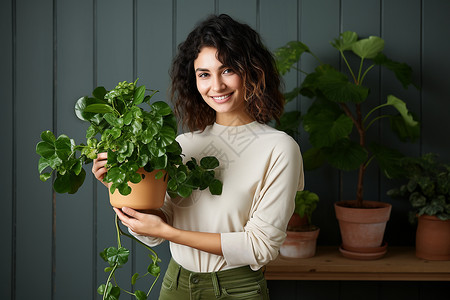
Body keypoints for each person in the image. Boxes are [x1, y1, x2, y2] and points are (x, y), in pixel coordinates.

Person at [92, 14, 304, 300]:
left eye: (228, 70)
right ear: (193, 80)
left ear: (252, 71)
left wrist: (169, 232)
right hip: (175, 284)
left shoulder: (278, 148)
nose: (216, 86)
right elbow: (155, 229)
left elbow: (260, 247)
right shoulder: (183, 145)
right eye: (204, 74)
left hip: (236, 289)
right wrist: (121, 184)